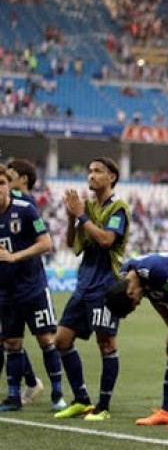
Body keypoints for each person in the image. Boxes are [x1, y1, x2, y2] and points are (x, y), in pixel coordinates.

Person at [54, 157, 130, 421]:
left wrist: (82, 216)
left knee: (106, 343)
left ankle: (104, 406)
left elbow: (107, 240)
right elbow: (72, 244)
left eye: (98, 171)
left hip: (106, 285)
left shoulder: (118, 208)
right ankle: (81, 399)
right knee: (61, 340)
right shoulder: (87, 207)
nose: (91, 175)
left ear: (112, 177)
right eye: (89, 170)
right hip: (84, 283)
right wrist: (72, 219)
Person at [104, 253, 168, 426]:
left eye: (134, 303)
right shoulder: (130, 275)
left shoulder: (154, 271)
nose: (137, 304)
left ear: (130, 291)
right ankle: (166, 411)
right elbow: (156, 299)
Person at [4, 158, 66, 410]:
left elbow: (45, 242)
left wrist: (15, 257)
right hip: (6, 289)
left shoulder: (25, 206)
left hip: (31, 286)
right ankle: (17, 392)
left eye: (6, 180)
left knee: (44, 338)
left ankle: (56, 394)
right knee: (10, 342)